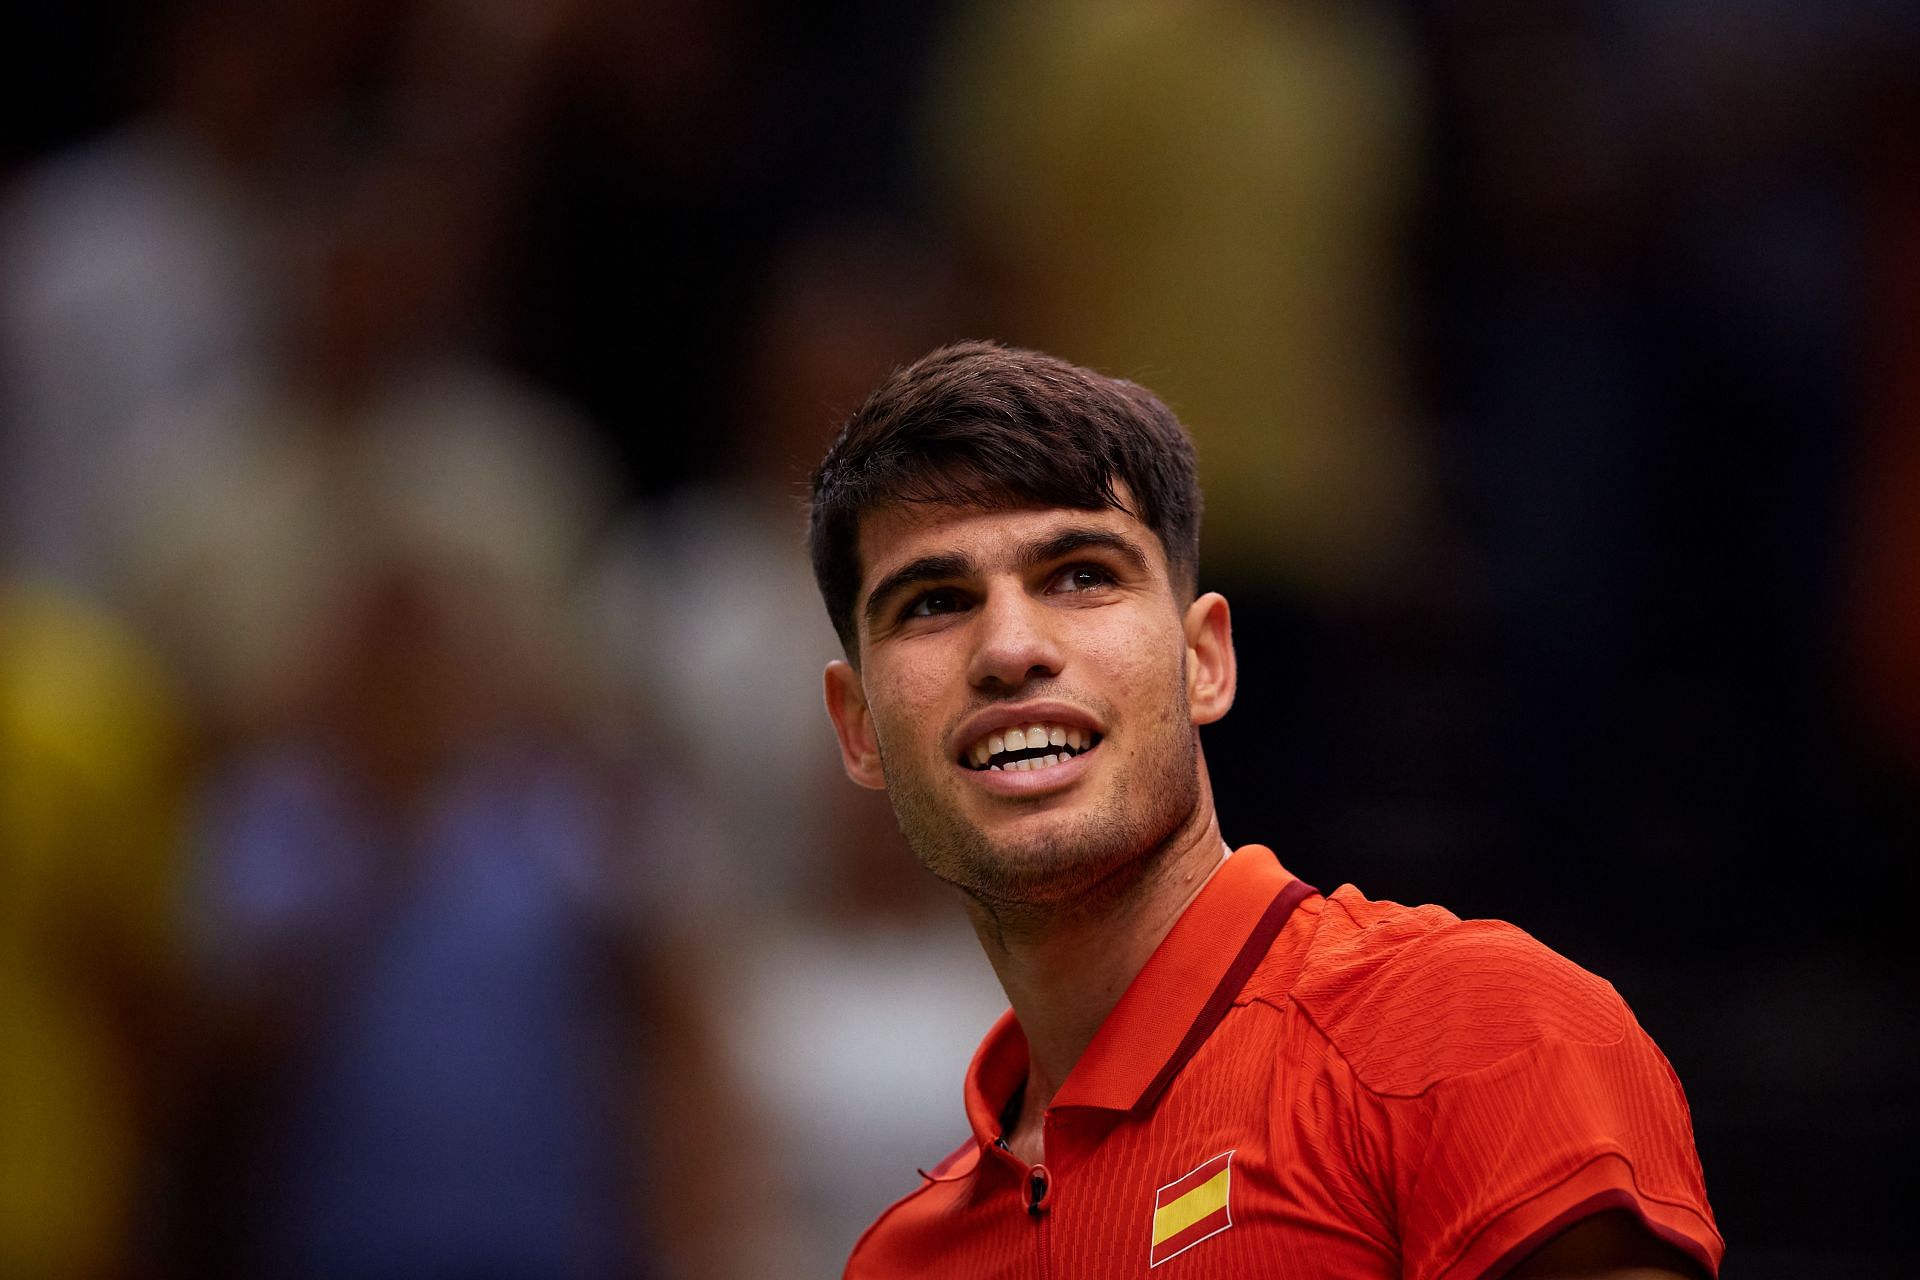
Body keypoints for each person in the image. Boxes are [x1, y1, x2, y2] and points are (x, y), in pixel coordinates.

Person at [808, 342, 1722, 1278]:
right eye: (932, 601)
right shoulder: (899, 1262)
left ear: (1205, 659)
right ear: (860, 729)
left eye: (1081, 574)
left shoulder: (1476, 1031)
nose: (1009, 647)